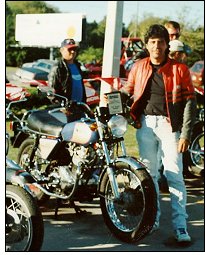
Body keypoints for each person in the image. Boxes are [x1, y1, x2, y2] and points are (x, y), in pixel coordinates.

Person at [121, 24, 197, 243]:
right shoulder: (139, 66)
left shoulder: (179, 69)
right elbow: (129, 91)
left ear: (167, 45)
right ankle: (152, 221)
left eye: (160, 42)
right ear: (147, 45)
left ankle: (181, 227)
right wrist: (115, 98)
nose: (156, 46)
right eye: (152, 42)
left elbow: (190, 102)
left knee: (174, 175)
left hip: (169, 126)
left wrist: (185, 134)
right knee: (149, 176)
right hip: (144, 125)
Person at [48, 38, 87, 103]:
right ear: (62, 50)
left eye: (74, 49)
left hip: (80, 107)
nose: (73, 52)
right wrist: (61, 106)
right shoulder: (57, 67)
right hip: (66, 109)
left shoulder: (78, 65)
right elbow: (51, 92)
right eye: (70, 49)